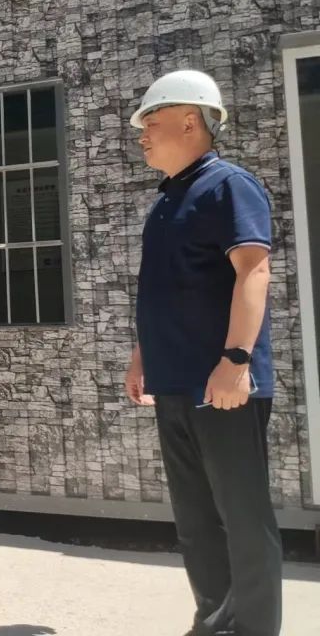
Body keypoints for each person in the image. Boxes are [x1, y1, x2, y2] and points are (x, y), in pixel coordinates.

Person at [125, 70, 281, 636]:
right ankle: (213, 623)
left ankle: (255, 628)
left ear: (190, 121)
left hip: (223, 385)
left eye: (151, 121)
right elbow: (164, 288)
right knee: (195, 521)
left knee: (243, 518)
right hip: (173, 383)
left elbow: (253, 271)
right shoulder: (168, 198)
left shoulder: (228, 186)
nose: (141, 134)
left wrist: (236, 361)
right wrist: (142, 354)